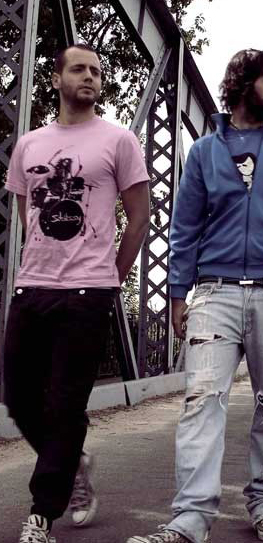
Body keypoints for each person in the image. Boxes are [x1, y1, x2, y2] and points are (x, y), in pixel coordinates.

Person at [127, 49, 263, 543]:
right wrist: (176, 293)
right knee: (202, 401)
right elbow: (184, 228)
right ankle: (190, 518)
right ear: (244, 84)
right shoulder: (204, 152)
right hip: (214, 293)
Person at [4, 43, 150, 543]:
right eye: (79, 69)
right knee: (18, 396)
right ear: (56, 79)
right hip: (33, 286)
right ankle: (71, 461)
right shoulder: (29, 145)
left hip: (90, 291)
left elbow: (139, 219)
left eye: (97, 72)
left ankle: (42, 514)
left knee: (65, 404)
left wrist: (112, 278)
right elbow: (26, 216)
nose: (90, 77)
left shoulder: (118, 140)